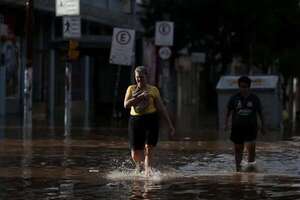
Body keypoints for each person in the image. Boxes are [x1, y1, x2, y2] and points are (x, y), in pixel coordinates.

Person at [124, 66, 175, 176]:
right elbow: (126, 105)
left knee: (148, 148)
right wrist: (140, 97)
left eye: (141, 77)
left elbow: (161, 108)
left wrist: (170, 125)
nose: (139, 80)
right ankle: (141, 167)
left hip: (151, 120)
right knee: (135, 153)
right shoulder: (131, 89)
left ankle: (148, 172)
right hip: (135, 121)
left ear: (147, 77)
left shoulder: (153, 90)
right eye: (137, 77)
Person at [224, 76, 266, 172]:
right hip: (237, 128)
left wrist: (263, 126)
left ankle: (251, 169)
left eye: (246, 87)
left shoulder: (254, 99)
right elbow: (228, 112)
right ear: (239, 87)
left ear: (249, 87)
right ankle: (238, 170)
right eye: (242, 86)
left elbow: (260, 113)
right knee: (238, 150)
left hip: (251, 128)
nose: (244, 89)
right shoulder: (234, 98)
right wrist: (226, 124)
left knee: (251, 150)